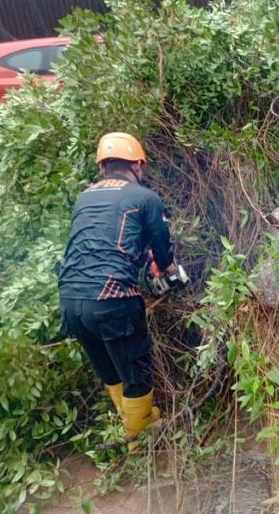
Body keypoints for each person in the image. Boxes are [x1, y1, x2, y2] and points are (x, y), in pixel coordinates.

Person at [59, 132, 177, 441]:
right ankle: (139, 443)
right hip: (111, 299)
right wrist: (171, 272)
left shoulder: (84, 197)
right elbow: (163, 251)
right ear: (138, 164)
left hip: (70, 301)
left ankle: (133, 422)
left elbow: (101, 243)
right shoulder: (145, 198)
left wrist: (141, 256)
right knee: (138, 374)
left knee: (111, 371)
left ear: (102, 167)